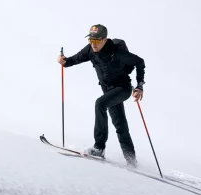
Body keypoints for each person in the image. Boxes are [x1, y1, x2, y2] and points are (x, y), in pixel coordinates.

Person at [57, 24, 145, 167]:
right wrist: (63, 61)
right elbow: (72, 60)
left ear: (104, 40)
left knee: (100, 104)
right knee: (120, 124)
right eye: (90, 40)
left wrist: (139, 86)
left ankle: (99, 148)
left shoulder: (116, 52)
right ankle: (132, 161)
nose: (93, 44)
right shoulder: (90, 50)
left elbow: (139, 62)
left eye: (97, 41)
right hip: (108, 91)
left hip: (123, 89)